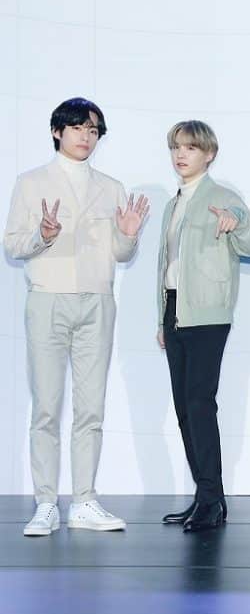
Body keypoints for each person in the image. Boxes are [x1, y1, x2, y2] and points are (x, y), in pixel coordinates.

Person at [5, 97, 149, 536]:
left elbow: (121, 253)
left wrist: (128, 236)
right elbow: (12, 244)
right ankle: (46, 503)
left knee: (91, 408)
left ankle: (84, 500)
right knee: (46, 408)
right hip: (48, 299)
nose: (86, 136)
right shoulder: (31, 182)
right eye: (77, 128)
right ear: (57, 132)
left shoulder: (111, 186)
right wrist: (42, 234)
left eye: (93, 130)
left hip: (97, 301)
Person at [158, 120, 250, 533]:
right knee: (185, 409)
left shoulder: (223, 198)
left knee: (200, 404)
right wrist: (162, 318)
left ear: (209, 154)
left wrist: (238, 223)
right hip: (175, 311)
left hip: (207, 315)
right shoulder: (173, 203)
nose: (181, 155)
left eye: (190, 148)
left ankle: (210, 499)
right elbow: (166, 267)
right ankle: (208, 497)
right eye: (176, 148)